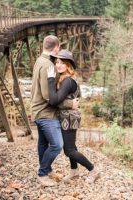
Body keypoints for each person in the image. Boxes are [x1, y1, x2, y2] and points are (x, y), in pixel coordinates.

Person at [31, 35, 79, 187]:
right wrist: (70, 103)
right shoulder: (48, 66)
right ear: (56, 48)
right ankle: (43, 173)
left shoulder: (40, 60)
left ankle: (48, 170)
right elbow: (48, 97)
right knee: (57, 145)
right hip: (46, 113)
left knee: (43, 143)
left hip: (37, 110)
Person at [47, 49, 100, 183]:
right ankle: (74, 170)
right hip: (70, 116)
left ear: (69, 65)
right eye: (57, 62)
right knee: (71, 147)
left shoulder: (67, 81)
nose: (58, 65)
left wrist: (50, 80)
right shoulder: (69, 79)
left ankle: (93, 170)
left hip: (68, 118)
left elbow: (54, 100)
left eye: (62, 63)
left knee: (69, 150)